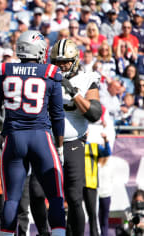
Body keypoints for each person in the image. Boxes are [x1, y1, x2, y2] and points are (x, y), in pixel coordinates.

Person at [0, 30, 66, 236]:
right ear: (39, 49)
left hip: (13, 139)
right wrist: (60, 147)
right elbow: (57, 115)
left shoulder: (3, 70)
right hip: (41, 138)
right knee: (56, 197)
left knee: (12, 199)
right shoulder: (50, 72)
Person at [50, 39, 102, 236]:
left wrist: (72, 92)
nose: (62, 65)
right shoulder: (46, 78)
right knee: (41, 194)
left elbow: (95, 113)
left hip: (73, 143)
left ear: (75, 60)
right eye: (58, 61)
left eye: (66, 61)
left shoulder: (87, 79)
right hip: (48, 143)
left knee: (74, 196)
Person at [83, 133, 111, 236]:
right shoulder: (74, 145)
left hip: (90, 184)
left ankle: (94, 234)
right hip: (76, 185)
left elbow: (107, 152)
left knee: (92, 214)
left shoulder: (94, 146)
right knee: (74, 212)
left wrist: (105, 140)